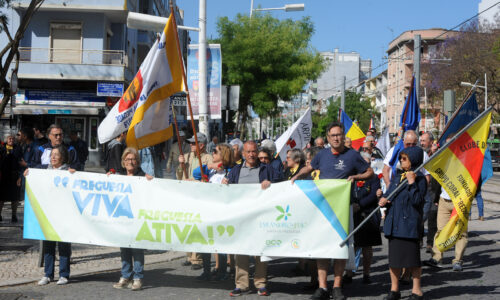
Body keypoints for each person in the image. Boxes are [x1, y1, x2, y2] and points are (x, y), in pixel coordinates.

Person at [291, 122, 374, 300]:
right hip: (323, 210)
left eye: (339, 135)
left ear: (343, 136)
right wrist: (298, 175)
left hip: (343, 210)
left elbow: (369, 172)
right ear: (328, 138)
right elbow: (310, 167)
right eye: (333, 135)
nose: (337, 138)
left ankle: (336, 286)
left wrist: (355, 176)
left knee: (340, 249)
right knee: (322, 248)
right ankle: (322, 287)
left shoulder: (353, 155)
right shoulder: (322, 155)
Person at [223, 141, 274, 297]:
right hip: (242, 218)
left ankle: (260, 284)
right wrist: (225, 183)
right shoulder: (235, 171)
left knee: (260, 251)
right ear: (243, 154)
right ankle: (241, 285)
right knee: (241, 251)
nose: (251, 154)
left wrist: (271, 184)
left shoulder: (267, 169)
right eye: (248, 152)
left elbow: (281, 184)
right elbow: (227, 192)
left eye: (254, 151)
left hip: (261, 217)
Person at [379, 146, 427, 300]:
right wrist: (383, 200)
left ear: (413, 161)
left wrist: (412, 183)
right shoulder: (397, 177)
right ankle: (394, 290)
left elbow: (418, 201)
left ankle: (416, 290)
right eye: (400, 158)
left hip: (409, 224)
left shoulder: (419, 178)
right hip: (394, 223)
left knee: (412, 260)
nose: (401, 161)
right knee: (394, 260)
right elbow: (389, 195)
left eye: (404, 158)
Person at [28, 145, 76, 285]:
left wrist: (75, 175)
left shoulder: (68, 171)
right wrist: (27, 174)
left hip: (64, 214)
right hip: (48, 214)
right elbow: (33, 178)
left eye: (56, 154)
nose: (53, 157)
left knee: (63, 245)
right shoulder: (44, 171)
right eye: (52, 155)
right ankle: (48, 274)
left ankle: (64, 274)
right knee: (48, 245)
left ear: (63, 157)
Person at [111, 147, 153, 291]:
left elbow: (150, 193)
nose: (130, 162)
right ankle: (125, 276)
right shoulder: (119, 176)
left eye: (133, 159)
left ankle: (138, 278)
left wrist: (150, 182)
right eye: (127, 159)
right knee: (124, 249)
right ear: (123, 161)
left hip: (137, 218)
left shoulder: (143, 176)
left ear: (137, 161)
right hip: (123, 218)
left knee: (137, 249)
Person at [193, 143, 235, 282]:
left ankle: (222, 272)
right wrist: (210, 166)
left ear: (223, 154)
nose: (213, 153)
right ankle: (206, 271)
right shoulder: (211, 171)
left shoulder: (230, 170)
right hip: (207, 211)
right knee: (205, 242)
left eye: (215, 151)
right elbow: (196, 173)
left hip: (222, 213)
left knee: (220, 243)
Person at [344, 150, 382, 284]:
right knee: (351, 246)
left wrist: (359, 205)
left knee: (367, 248)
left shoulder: (374, 178)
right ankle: (348, 273)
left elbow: (373, 195)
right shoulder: (350, 177)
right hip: (352, 214)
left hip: (368, 215)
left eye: (366, 165)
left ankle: (366, 274)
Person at [178, 132, 213, 269]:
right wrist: (181, 166)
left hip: (199, 196)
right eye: (191, 143)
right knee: (186, 225)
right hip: (186, 195)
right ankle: (189, 255)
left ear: (202, 145)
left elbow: (207, 177)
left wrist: (191, 180)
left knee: (197, 226)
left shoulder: (208, 158)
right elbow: (179, 175)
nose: (191, 145)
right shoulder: (186, 156)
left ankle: (197, 258)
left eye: (194, 143)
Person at [0, 134, 21, 223]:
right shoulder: (1, 148)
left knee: (15, 198)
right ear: (6, 140)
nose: (11, 140)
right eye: (9, 138)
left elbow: (20, 161)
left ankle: (14, 215)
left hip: (14, 176)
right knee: (1, 197)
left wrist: (20, 176)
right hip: (3, 176)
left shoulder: (18, 148)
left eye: (12, 139)